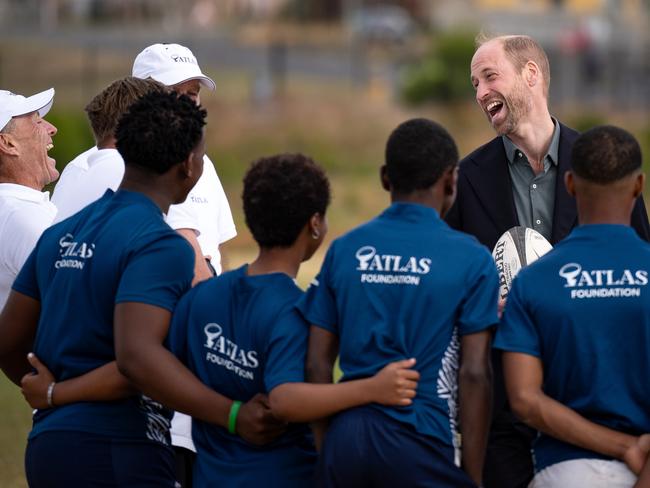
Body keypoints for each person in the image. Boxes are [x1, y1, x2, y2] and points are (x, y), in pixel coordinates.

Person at [0, 91, 277, 487]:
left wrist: (51, 396)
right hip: (121, 446)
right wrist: (233, 414)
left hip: (49, 446)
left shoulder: (60, 232)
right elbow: (138, 359)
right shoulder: (160, 244)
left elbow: (8, 343)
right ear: (189, 166)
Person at [445, 34, 650, 488]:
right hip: (504, 415)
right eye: (474, 84)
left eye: (489, 77)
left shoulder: (604, 164)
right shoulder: (464, 180)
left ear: (531, 75)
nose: (480, 93)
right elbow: (448, 285)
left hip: (596, 408)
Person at [167, 153, 420, 487]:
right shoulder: (294, 311)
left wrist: (229, 413)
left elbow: (164, 372)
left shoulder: (202, 297)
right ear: (315, 224)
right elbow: (285, 400)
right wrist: (373, 388)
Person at [51, 43, 237, 485]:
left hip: (82, 411)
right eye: (177, 92)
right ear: (142, 96)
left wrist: (55, 392)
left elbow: (215, 253)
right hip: (160, 405)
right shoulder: (156, 168)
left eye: (194, 93)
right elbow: (196, 269)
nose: (188, 103)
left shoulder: (83, 168)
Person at [299, 118, 498, 487]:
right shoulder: (472, 259)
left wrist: (331, 447)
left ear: (385, 178)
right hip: (421, 440)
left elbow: (316, 362)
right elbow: (474, 373)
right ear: (451, 180)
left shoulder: (345, 250)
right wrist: (472, 475)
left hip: (346, 438)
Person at [494, 125, 650, 488]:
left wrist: (622, 446)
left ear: (569, 184)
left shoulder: (531, 282)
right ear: (639, 186)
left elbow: (523, 399)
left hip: (567, 473)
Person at [0, 88, 58, 310]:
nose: (52, 129)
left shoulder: (16, 210)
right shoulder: (24, 217)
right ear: (8, 144)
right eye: (37, 121)